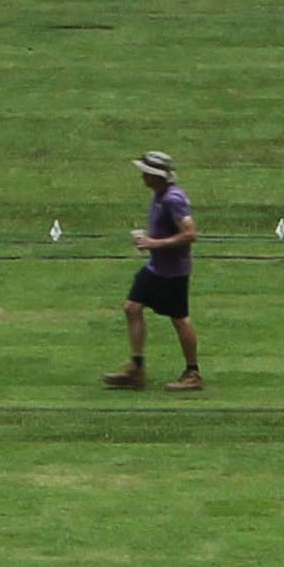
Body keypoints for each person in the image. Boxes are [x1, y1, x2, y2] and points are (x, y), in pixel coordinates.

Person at [103, 149, 202, 392]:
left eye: (146, 173)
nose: (142, 176)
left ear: (156, 176)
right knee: (132, 307)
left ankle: (193, 373)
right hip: (157, 267)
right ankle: (136, 368)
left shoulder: (172, 199)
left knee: (180, 319)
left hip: (172, 272)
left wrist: (153, 243)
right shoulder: (160, 195)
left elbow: (190, 234)